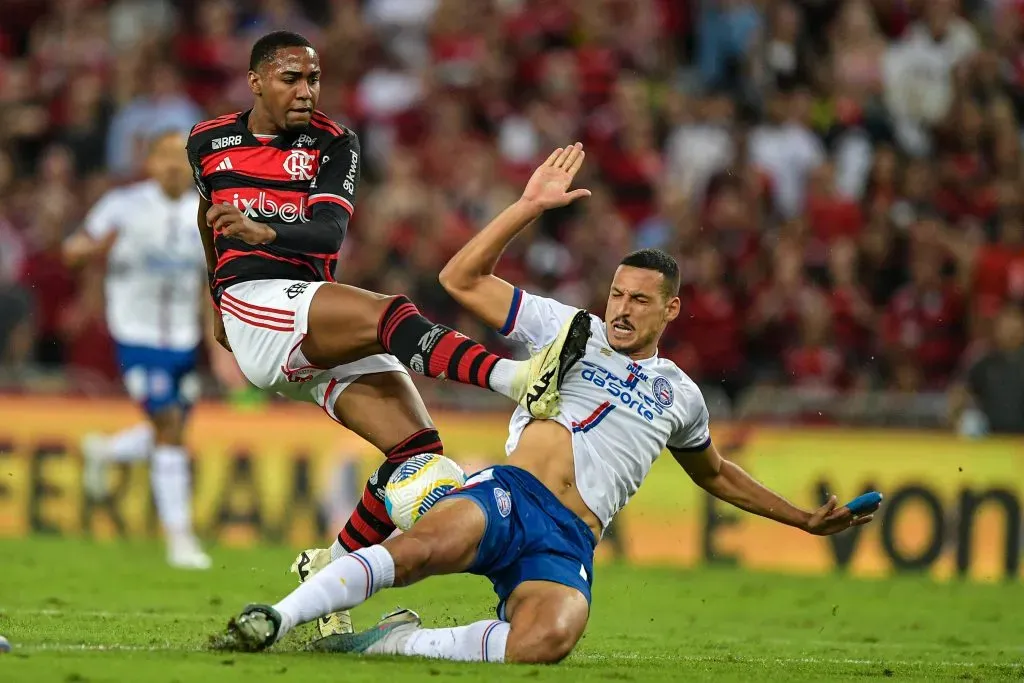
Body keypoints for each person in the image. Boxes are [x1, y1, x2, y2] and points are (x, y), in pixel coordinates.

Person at [217, 143, 877, 663]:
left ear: (670, 308)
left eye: (640, 299)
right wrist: (528, 206)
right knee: (419, 552)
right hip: (512, 496)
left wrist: (798, 518)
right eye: (617, 293)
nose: (621, 308)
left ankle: (388, 641)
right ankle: (278, 615)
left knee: (547, 639)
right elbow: (460, 279)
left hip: (569, 540)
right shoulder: (571, 330)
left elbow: (714, 471)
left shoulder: (681, 394)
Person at [187, 32, 585, 635]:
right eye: (292, 78)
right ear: (256, 80)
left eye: (313, 79)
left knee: (417, 455)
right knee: (385, 314)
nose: (305, 91)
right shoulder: (207, 141)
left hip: (312, 313)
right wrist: (216, 295)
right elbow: (206, 215)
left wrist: (264, 232)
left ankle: (329, 575)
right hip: (256, 306)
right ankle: (516, 378)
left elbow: (326, 236)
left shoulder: (334, 143)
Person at [63, 130, 211, 570]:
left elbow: (208, 283)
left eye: (179, 159)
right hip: (135, 334)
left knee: (174, 431)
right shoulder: (122, 205)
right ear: (148, 164)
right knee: (168, 426)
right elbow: (71, 250)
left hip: (184, 339)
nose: (171, 166)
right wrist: (93, 248)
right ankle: (180, 539)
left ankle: (104, 452)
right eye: (162, 157)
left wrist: (218, 343)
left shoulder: (201, 212)